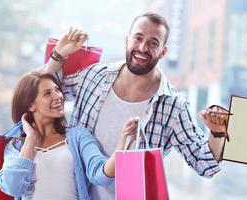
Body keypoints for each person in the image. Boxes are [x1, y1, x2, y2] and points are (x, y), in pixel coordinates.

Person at [44, 12, 230, 200]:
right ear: (127, 40)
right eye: (138, 38)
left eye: (153, 43)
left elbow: (204, 165)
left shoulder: (174, 106)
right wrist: (59, 53)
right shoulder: (94, 76)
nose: (143, 47)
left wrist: (217, 133)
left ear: (163, 52)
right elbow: (43, 96)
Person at [0, 71, 138, 200]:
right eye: (47, 93)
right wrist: (31, 139)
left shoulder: (78, 136)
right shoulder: (15, 147)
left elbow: (101, 175)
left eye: (57, 90)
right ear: (31, 105)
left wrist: (123, 142)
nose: (58, 96)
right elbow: (12, 187)